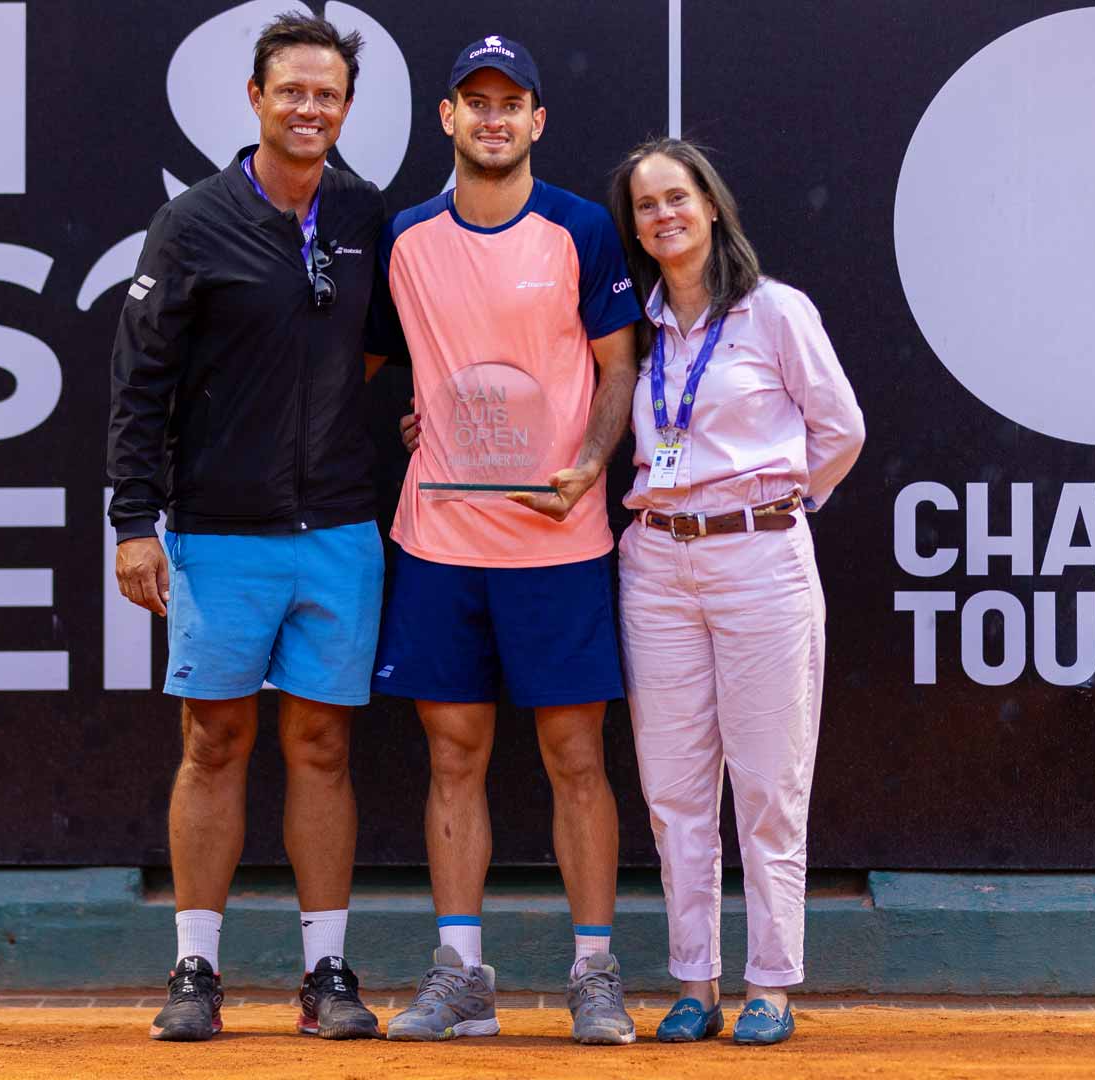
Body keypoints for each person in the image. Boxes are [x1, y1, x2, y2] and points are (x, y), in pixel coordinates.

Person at [105, 10, 388, 1042]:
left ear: (346, 108)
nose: (310, 107)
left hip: (342, 534)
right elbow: (140, 380)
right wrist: (135, 521)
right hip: (219, 534)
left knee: (321, 744)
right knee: (214, 740)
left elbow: (386, 348)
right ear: (258, 99)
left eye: (328, 93)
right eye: (292, 90)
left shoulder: (364, 216)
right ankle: (195, 970)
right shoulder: (194, 224)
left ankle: (325, 975)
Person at [365, 34, 642, 1045]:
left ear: (536, 119)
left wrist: (593, 461)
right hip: (440, 539)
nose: (490, 118)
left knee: (576, 755)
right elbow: (384, 363)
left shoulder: (582, 230)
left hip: (559, 542)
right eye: (472, 102)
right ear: (446, 118)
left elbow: (618, 368)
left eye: (508, 102)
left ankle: (594, 974)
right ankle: (462, 976)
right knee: (454, 755)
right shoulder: (402, 239)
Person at [605, 138, 864, 1045]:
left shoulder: (773, 311)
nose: (664, 216)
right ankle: (693, 982)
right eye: (645, 205)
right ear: (633, 226)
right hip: (657, 565)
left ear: (712, 206)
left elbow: (841, 429)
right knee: (674, 791)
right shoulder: (631, 325)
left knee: (766, 783)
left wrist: (782, 505)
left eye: (678, 197)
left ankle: (771, 985)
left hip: (760, 560)